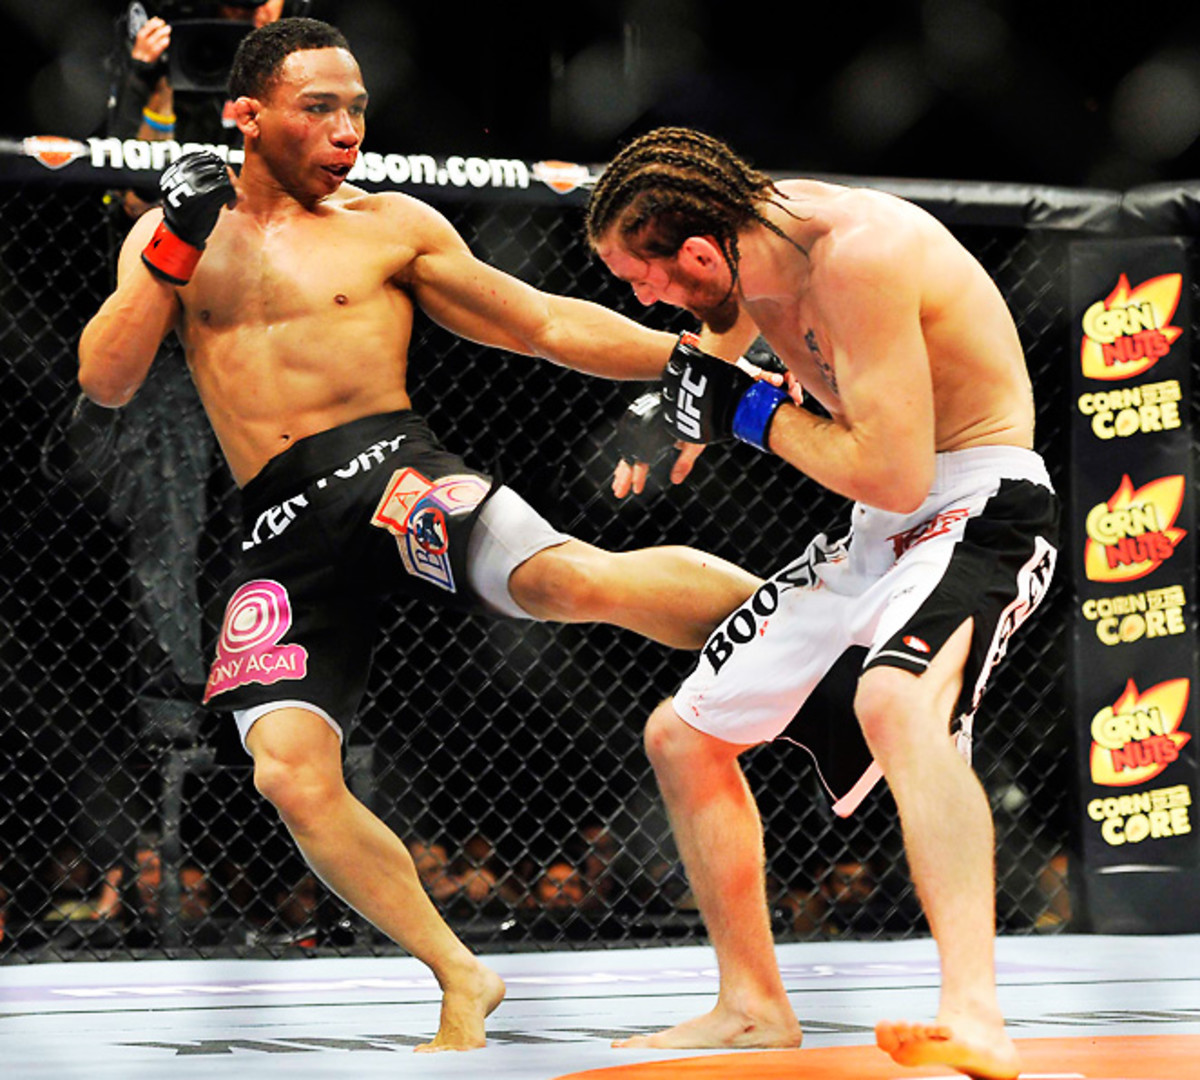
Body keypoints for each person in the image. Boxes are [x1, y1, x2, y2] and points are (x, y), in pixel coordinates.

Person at [77, 20, 763, 1052]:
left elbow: (539, 321)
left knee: (561, 581)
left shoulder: (390, 225)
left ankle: (810, 614)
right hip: (276, 519)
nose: (349, 127)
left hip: (389, 469)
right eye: (320, 107)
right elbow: (105, 378)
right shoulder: (176, 233)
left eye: (357, 106)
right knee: (290, 774)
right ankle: (458, 971)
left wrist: (696, 369)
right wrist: (172, 237)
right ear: (245, 114)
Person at [585, 127, 1059, 1080]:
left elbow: (891, 471)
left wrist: (751, 413)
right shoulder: (743, 247)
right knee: (682, 737)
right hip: (872, 530)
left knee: (893, 701)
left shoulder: (856, 255)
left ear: (699, 251)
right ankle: (753, 1006)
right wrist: (677, 409)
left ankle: (976, 1016)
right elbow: (722, 332)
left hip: (975, 501)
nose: (640, 302)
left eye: (644, 279)